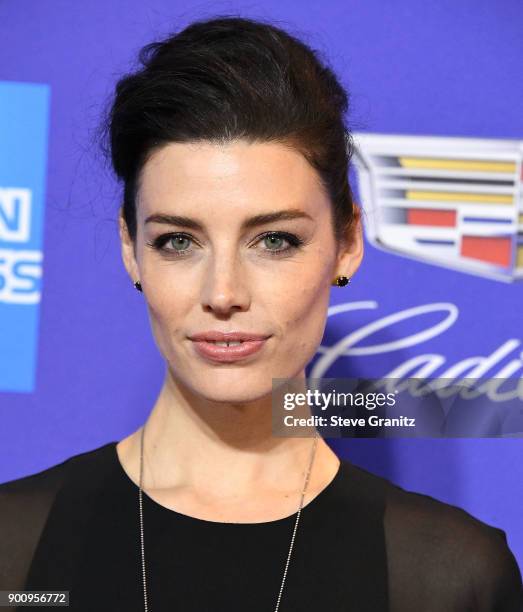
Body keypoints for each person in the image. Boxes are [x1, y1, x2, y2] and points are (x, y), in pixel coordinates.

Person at [1, 15, 521, 612]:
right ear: (131, 249)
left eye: (274, 240)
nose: (223, 293)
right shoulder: (11, 549)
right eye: (178, 240)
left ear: (348, 241)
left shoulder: (448, 577)